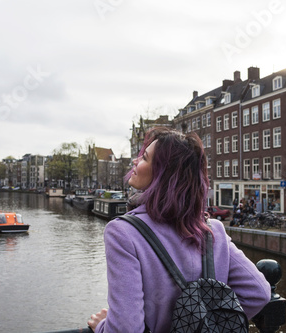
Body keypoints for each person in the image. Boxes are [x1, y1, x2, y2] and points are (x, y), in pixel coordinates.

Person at [88, 128, 271, 332]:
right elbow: (259, 293)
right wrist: (213, 322)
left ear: (161, 174)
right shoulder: (213, 231)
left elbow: (125, 329)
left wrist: (102, 326)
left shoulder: (122, 233)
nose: (135, 161)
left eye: (144, 158)